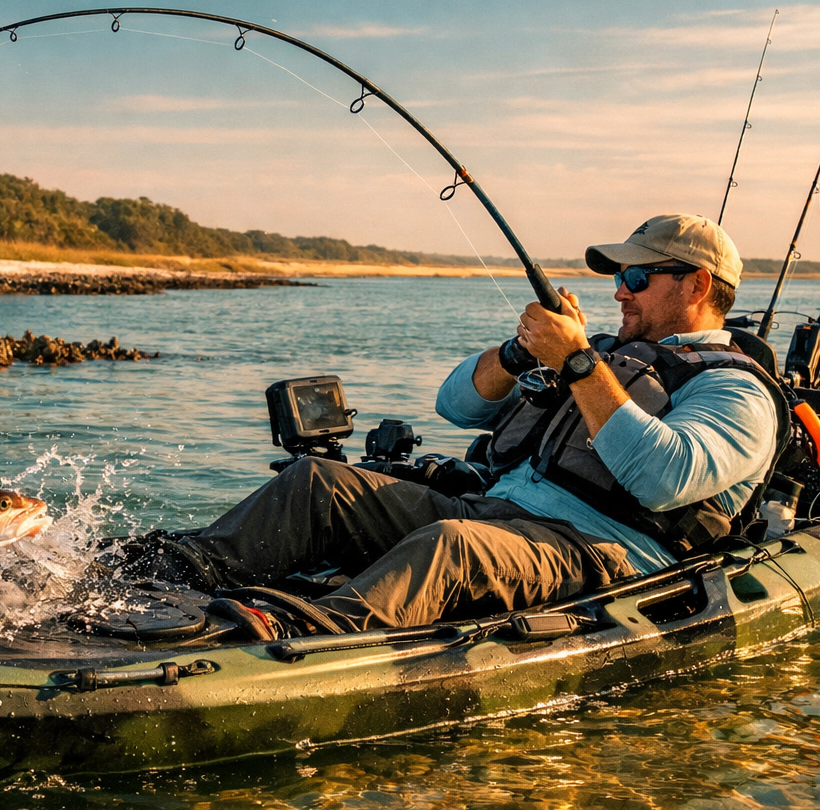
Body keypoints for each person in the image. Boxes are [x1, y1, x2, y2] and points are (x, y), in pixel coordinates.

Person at [123, 214, 785, 638]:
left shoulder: (735, 390)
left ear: (697, 285)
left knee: (451, 546)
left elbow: (663, 477)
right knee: (317, 481)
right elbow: (458, 406)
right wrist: (523, 353)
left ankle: (285, 641)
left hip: (601, 550)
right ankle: (144, 574)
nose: (619, 290)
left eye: (636, 277)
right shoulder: (607, 354)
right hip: (498, 509)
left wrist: (578, 363)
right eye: (618, 276)